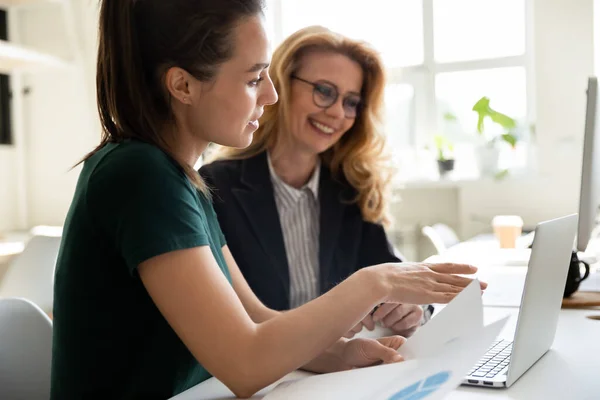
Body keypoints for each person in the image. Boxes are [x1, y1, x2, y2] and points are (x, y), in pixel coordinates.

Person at [50, 2, 484, 399]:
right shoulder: (141, 176)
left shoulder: (178, 179)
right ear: (182, 85)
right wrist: (376, 282)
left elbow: (256, 316)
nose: (270, 95)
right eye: (254, 78)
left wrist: (341, 354)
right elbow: (244, 364)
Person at [200, 26, 429, 338]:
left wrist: (412, 307)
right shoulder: (215, 186)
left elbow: (395, 274)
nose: (337, 112)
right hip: (261, 371)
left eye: (351, 102)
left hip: (337, 370)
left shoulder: (350, 187)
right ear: (280, 84)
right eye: (324, 91)